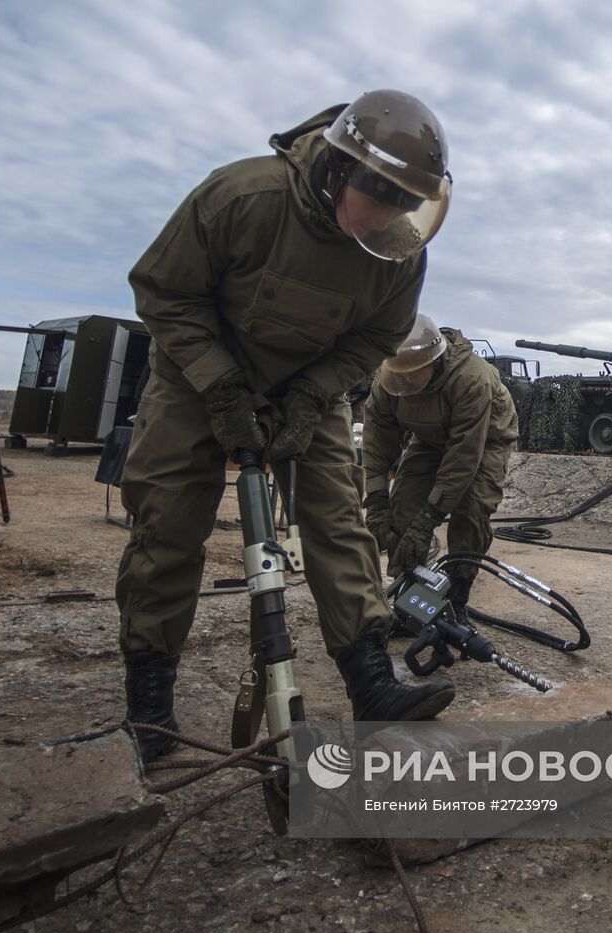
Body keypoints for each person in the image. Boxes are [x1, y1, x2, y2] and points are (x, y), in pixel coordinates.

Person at [115, 90, 456, 762]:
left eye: (407, 204)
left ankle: (372, 683)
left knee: (337, 520)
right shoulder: (244, 199)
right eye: (383, 195)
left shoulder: (399, 255)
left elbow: (376, 338)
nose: (391, 216)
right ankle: (150, 710)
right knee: (169, 523)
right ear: (345, 170)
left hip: (309, 384)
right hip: (197, 375)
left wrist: (311, 394)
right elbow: (163, 288)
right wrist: (219, 384)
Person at [360, 315, 519, 623]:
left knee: (472, 510)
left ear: (433, 362)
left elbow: (462, 459)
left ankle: (457, 596)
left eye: (413, 375)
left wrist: (428, 521)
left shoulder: (473, 379)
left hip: (485, 439)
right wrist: (377, 501)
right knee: (403, 505)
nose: (404, 383)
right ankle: (412, 597)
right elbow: (376, 441)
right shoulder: (389, 378)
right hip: (430, 437)